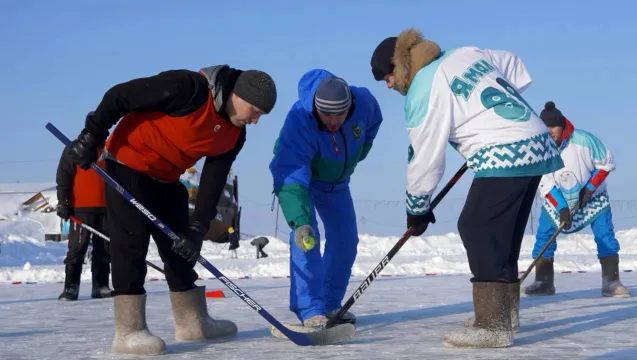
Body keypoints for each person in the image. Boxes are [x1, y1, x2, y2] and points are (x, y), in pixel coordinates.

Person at [370, 28, 564, 348]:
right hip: (537, 142)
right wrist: (483, 114)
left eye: (387, 77)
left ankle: (492, 325)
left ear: (401, 66)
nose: (388, 85)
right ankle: (505, 313)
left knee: (476, 226)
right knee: (503, 232)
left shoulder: (424, 87)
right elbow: (514, 65)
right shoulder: (466, 53)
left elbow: (424, 156)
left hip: (506, 150)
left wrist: (416, 208)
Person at [65, 65, 277, 356]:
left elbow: (213, 180)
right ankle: (129, 331)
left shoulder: (234, 135)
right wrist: (91, 135)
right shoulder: (188, 88)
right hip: (128, 167)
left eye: (260, 116)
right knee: (131, 246)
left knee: (181, 249)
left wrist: (198, 227)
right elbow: (120, 96)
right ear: (237, 95)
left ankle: (192, 322)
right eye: (254, 111)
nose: (255, 121)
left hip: (167, 179)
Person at [269, 69, 383, 330]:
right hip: (300, 178)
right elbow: (290, 172)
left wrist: (357, 154)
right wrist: (299, 220)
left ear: (350, 105)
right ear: (315, 108)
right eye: (327, 115)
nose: (334, 121)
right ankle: (309, 308)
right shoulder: (299, 120)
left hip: (336, 182)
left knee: (346, 239)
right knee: (307, 237)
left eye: (340, 114)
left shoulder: (364, 101)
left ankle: (331, 304)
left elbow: (373, 123)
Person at [523, 101, 630, 298]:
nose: (550, 132)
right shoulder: (541, 148)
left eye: (553, 127)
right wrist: (562, 207)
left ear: (562, 125)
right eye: (545, 128)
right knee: (544, 236)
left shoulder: (584, 140)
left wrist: (589, 189)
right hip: (558, 200)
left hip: (592, 199)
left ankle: (611, 282)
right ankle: (543, 282)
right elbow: (545, 182)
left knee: (604, 235)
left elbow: (606, 163)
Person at [55, 134, 112, 301]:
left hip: (107, 208)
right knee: (77, 248)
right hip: (81, 208)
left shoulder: (110, 148)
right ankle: (71, 288)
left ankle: (100, 285)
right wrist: (63, 202)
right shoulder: (74, 148)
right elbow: (64, 176)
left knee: (104, 250)